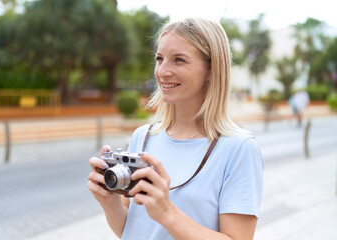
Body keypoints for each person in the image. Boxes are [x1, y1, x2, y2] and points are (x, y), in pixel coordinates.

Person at [88, 18, 264, 240]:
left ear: (212, 69)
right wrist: (110, 202)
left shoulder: (239, 149)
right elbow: (132, 230)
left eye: (178, 60)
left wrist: (167, 213)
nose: (162, 71)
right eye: (159, 59)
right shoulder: (142, 138)